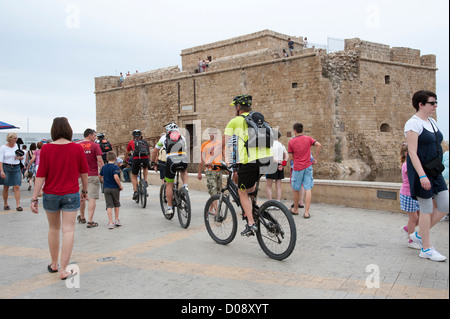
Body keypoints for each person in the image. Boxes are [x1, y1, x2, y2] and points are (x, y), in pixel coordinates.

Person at [30, 117, 89, 280]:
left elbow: (40, 175)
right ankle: (64, 269)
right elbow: (84, 172)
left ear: (53, 130)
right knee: (68, 230)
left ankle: (54, 264)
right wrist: (84, 190)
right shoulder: (77, 149)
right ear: (69, 130)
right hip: (71, 193)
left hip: (50, 194)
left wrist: (34, 198)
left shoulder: (47, 149)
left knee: (53, 229)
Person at [208, 94, 272, 236]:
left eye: (234, 108)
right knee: (251, 185)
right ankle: (254, 208)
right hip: (267, 158)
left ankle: (251, 223)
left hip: (249, 161)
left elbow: (222, 144)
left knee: (241, 191)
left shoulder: (235, 121)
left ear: (238, 107)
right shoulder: (258, 118)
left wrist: (209, 160)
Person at [404, 90, 448, 262]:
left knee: (445, 204)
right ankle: (426, 249)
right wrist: (422, 176)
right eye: (432, 103)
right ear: (421, 104)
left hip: (435, 171)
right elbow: (412, 153)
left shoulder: (432, 122)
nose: (435, 106)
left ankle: (419, 234)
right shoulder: (413, 124)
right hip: (421, 172)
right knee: (426, 209)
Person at [151, 123, 189, 217]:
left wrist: (153, 162)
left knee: (169, 184)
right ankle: (185, 186)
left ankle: (170, 208)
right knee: (183, 170)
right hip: (183, 159)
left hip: (171, 161)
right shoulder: (182, 137)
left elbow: (155, 151)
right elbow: (186, 151)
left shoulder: (163, 138)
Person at [288, 123, 322, 218]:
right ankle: (306, 213)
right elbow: (319, 145)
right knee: (308, 188)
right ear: (302, 130)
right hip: (308, 167)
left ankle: (295, 209)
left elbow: (291, 157)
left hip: (298, 167)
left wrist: (297, 159)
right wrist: (314, 158)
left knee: (296, 189)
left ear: (295, 130)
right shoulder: (308, 138)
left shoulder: (291, 141)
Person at [77, 129, 104, 228]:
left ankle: (82, 217)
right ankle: (90, 220)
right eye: (94, 135)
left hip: (80, 175)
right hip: (92, 174)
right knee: (92, 197)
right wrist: (103, 172)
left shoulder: (77, 146)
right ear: (89, 135)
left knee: (82, 197)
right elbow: (99, 160)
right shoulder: (95, 146)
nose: (95, 137)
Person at [399, 143, 420, 249]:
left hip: (414, 194)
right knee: (413, 218)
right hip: (407, 194)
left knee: (420, 218)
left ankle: (407, 229)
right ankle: (411, 240)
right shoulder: (407, 165)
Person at [0, 133, 24, 211]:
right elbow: (1, 161)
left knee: (16, 186)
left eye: (16, 138)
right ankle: (6, 203)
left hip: (16, 167)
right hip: (7, 167)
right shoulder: (3, 148)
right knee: (6, 186)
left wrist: (19, 158)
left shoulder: (17, 146)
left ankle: (18, 205)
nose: (16, 140)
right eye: (15, 138)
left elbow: (21, 156)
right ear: (10, 139)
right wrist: (1, 171)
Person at [99, 151, 123, 229]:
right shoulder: (115, 167)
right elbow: (116, 177)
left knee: (109, 205)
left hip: (106, 188)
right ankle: (116, 219)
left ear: (106, 158)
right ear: (115, 158)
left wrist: (102, 180)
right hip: (115, 188)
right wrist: (120, 185)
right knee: (116, 204)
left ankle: (110, 222)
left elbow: (100, 176)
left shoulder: (104, 167)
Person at [198, 128, 223, 197]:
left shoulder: (220, 144)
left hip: (219, 169)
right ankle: (216, 208)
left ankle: (210, 208)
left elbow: (224, 155)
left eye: (216, 133)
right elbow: (201, 160)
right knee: (213, 192)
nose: (214, 135)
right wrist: (199, 173)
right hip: (210, 170)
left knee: (218, 192)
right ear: (209, 134)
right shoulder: (205, 145)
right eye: (212, 133)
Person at [126, 130, 150, 200]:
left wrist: (125, 161)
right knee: (145, 168)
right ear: (140, 136)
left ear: (133, 136)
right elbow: (149, 152)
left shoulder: (131, 142)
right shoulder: (145, 142)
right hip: (145, 158)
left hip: (136, 159)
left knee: (134, 176)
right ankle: (145, 181)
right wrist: (149, 160)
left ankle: (135, 191)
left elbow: (127, 152)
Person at [266, 131, 288, 201]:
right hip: (280, 165)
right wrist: (282, 163)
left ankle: (270, 202)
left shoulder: (270, 145)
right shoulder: (281, 145)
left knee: (268, 185)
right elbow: (286, 156)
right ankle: (278, 202)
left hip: (271, 165)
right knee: (278, 185)